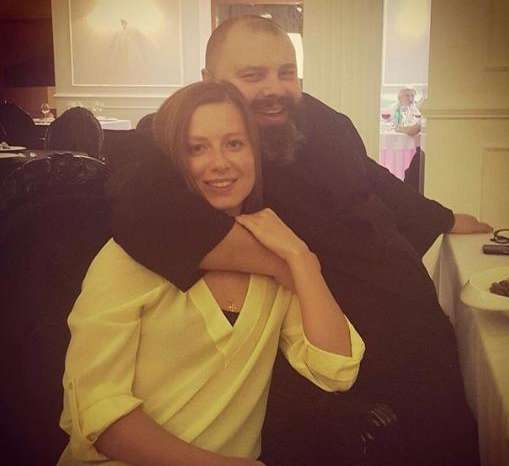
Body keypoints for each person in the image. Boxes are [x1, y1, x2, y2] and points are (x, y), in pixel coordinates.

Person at [110, 15, 489, 466]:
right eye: (253, 75)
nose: (274, 88)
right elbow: (135, 203)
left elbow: (372, 179)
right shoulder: (188, 138)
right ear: (209, 82)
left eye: (285, 72)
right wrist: (286, 262)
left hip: (422, 334)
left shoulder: (324, 120)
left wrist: (443, 217)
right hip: (341, 364)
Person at [57, 80, 365, 466]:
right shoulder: (126, 258)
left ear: (255, 153)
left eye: (234, 144)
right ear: (172, 161)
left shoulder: (273, 256)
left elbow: (335, 369)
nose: (220, 163)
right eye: (197, 148)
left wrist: (301, 259)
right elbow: (100, 416)